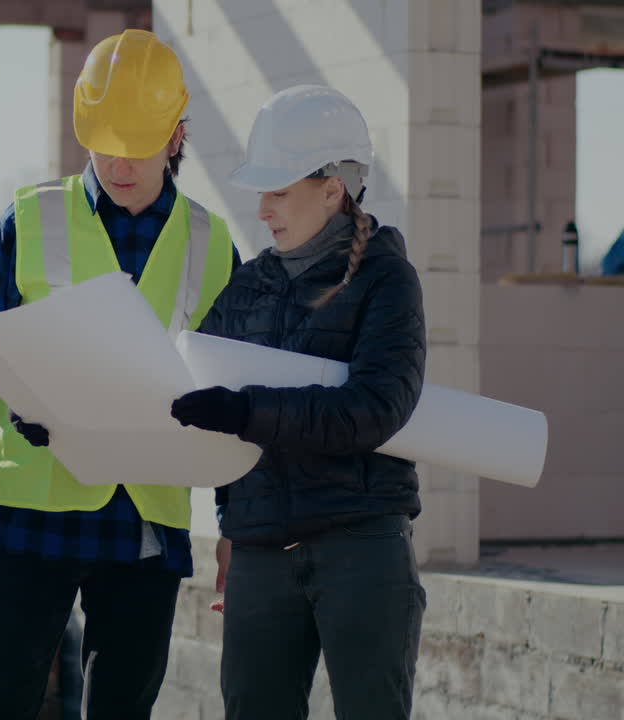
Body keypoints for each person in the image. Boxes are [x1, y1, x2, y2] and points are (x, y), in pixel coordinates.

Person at [0, 29, 241, 720]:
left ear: (176, 136)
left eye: (138, 144)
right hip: (32, 516)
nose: (119, 162)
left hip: (144, 525)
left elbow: (239, 403)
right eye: (104, 142)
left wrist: (241, 525)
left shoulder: (212, 248)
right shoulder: (31, 220)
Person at [170, 84, 428, 719]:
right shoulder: (248, 286)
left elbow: (372, 409)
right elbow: (183, 395)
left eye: (279, 190)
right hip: (260, 554)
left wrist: (248, 411)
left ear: (333, 188)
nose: (262, 208)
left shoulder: (386, 280)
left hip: (360, 548)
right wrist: (70, 420)